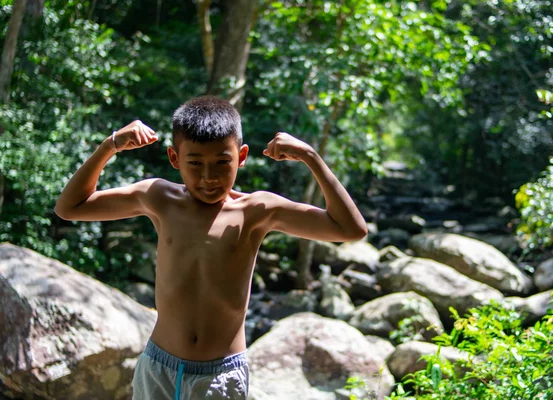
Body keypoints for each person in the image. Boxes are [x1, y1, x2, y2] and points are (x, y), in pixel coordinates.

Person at [54, 96, 367, 399]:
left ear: (241, 157)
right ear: (174, 159)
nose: (209, 177)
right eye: (195, 163)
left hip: (221, 375)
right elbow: (70, 208)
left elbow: (350, 229)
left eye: (222, 162)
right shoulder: (159, 198)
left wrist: (310, 156)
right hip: (158, 367)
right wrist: (110, 146)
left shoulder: (256, 211)